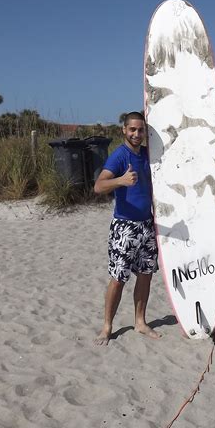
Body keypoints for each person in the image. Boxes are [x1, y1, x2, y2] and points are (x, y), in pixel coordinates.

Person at [93, 111, 160, 346]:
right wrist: (120, 181)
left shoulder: (147, 154)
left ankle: (140, 322)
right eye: (132, 129)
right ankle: (107, 326)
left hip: (147, 225)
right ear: (124, 130)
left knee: (145, 276)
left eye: (140, 130)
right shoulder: (119, 156)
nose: (136, 134)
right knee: (118, 278)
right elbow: (98, 186)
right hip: (125, 227)